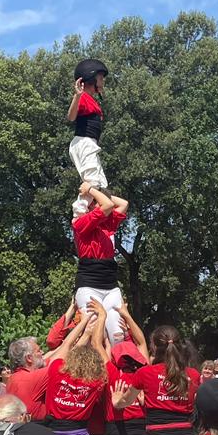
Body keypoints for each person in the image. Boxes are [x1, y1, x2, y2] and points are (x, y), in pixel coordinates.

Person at [72, 182, 128, 344]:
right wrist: (89, 190)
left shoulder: (107, 224)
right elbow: (109, 204)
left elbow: (123, 203)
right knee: (95, 333)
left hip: (110, 284)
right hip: (89, 284)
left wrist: (96, 186)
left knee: (118, 335)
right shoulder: (80, 223)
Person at [67, 58, 110, 203]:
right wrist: (77, 96)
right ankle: (79, 216)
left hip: (90, 144)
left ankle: (101, 216)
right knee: (92, 183)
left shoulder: (92, 100)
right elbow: (71, 117)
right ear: (91, 78)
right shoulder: (83, 97)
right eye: (100, 77)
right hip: (84, 142)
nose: (103, 81)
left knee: (102, 186)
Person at [7, 336, 50, 421]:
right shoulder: (31, 378)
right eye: (38, 351)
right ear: (29, 358)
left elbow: (56, 352)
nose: (42, 352)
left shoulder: (14, 377)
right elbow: (66, 351)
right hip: (36, 429)